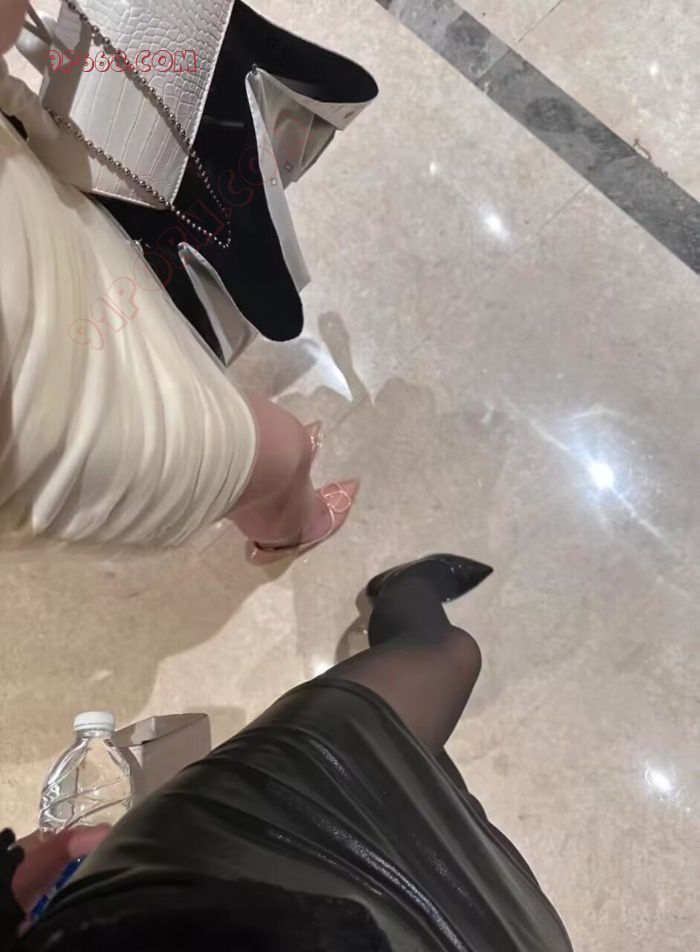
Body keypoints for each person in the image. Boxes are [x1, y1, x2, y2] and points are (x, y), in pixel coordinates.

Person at [1, 555, 575, 951]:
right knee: (443, 680)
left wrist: (39, 874)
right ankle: (404, 597)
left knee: (439, 686)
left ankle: (405, 610)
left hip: (182, 893)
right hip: (219, 872)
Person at [0, 8, 358, 554]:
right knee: (270, 448)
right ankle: (289, 520)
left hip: (43, 272)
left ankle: (261, 472)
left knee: (176, 358)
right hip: (42, 389)